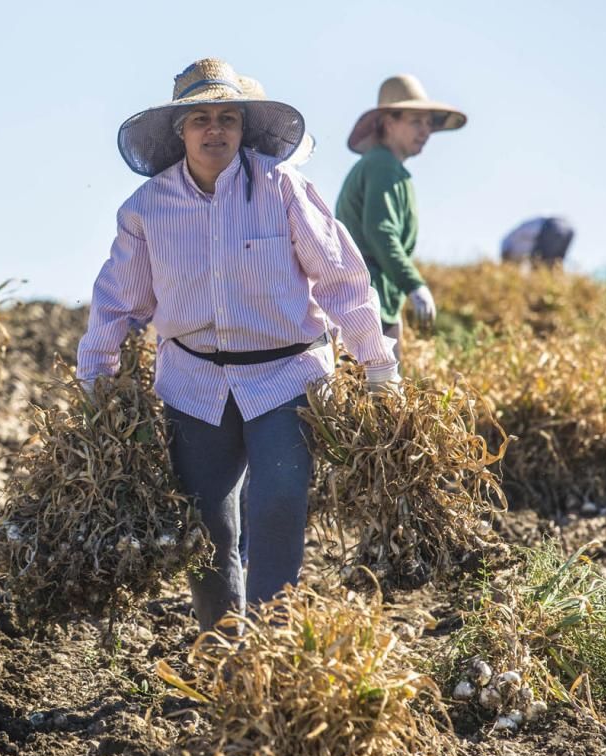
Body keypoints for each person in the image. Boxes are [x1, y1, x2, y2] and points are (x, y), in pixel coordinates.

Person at [76, 58, 398, 632]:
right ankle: (222, 648)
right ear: (181, 131)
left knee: (277, 503)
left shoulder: (285, 190)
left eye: (227, 117)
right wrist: (97, 382)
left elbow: (341, 278)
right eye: (200, 118)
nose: (215, 129)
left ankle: (274, 648)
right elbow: (118, 302)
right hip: (193, 380)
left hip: (285, 376)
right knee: (206, 526)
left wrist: (377, 365)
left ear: (243, 129)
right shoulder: (148, 208)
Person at [335, 74, 467, 361]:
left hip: (367, 300)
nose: (426, 130)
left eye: (429, 123)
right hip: (368, 301)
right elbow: (380, 232)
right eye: (415, 121)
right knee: (377, 397)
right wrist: (414, 285)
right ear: (389, 123)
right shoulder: (382, 165)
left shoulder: (382, 165)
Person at [501, 216, 575, 269]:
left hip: (549, 228)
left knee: (540, 265)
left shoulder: (508, 244)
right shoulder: (512, 240)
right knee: (555, 265)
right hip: (566, 229)